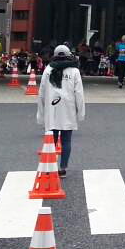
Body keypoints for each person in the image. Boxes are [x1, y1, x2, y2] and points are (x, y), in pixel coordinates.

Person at [36, 45, 85, 179]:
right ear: (69, 55)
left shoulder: (49, 69)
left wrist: (40, 114)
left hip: (51, 109)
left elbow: (41, 93)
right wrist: (80, 112)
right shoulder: (74, 71)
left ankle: (49, 168)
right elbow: (79, 93)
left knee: (51, 140)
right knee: (66, 140)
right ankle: (63, 168)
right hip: (68, 109)